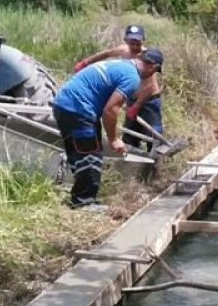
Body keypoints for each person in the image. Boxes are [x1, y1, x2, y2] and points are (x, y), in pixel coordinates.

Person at [53, 48, 165, 209]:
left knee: (78, 152)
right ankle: (84, 202)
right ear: (153, 67)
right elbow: (110, 110)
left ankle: (78, 196)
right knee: (90, 155)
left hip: (63, 104)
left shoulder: (120, 64)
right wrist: (113, 139)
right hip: (79, 108)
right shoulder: (132, 77)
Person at [73, 25, 165, 154]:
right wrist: (85, 63)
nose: (135, 47)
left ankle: (155, 160)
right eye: (132, 43)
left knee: (153, 133)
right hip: (132, 98)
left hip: (148, 101)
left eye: (138, 43)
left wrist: (137, 106)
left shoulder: (148, 58)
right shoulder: (123, 51)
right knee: (130, 132)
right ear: (126, 41)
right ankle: (132, 160)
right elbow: (105, 54)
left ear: (143, 41)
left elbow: (150, 87)